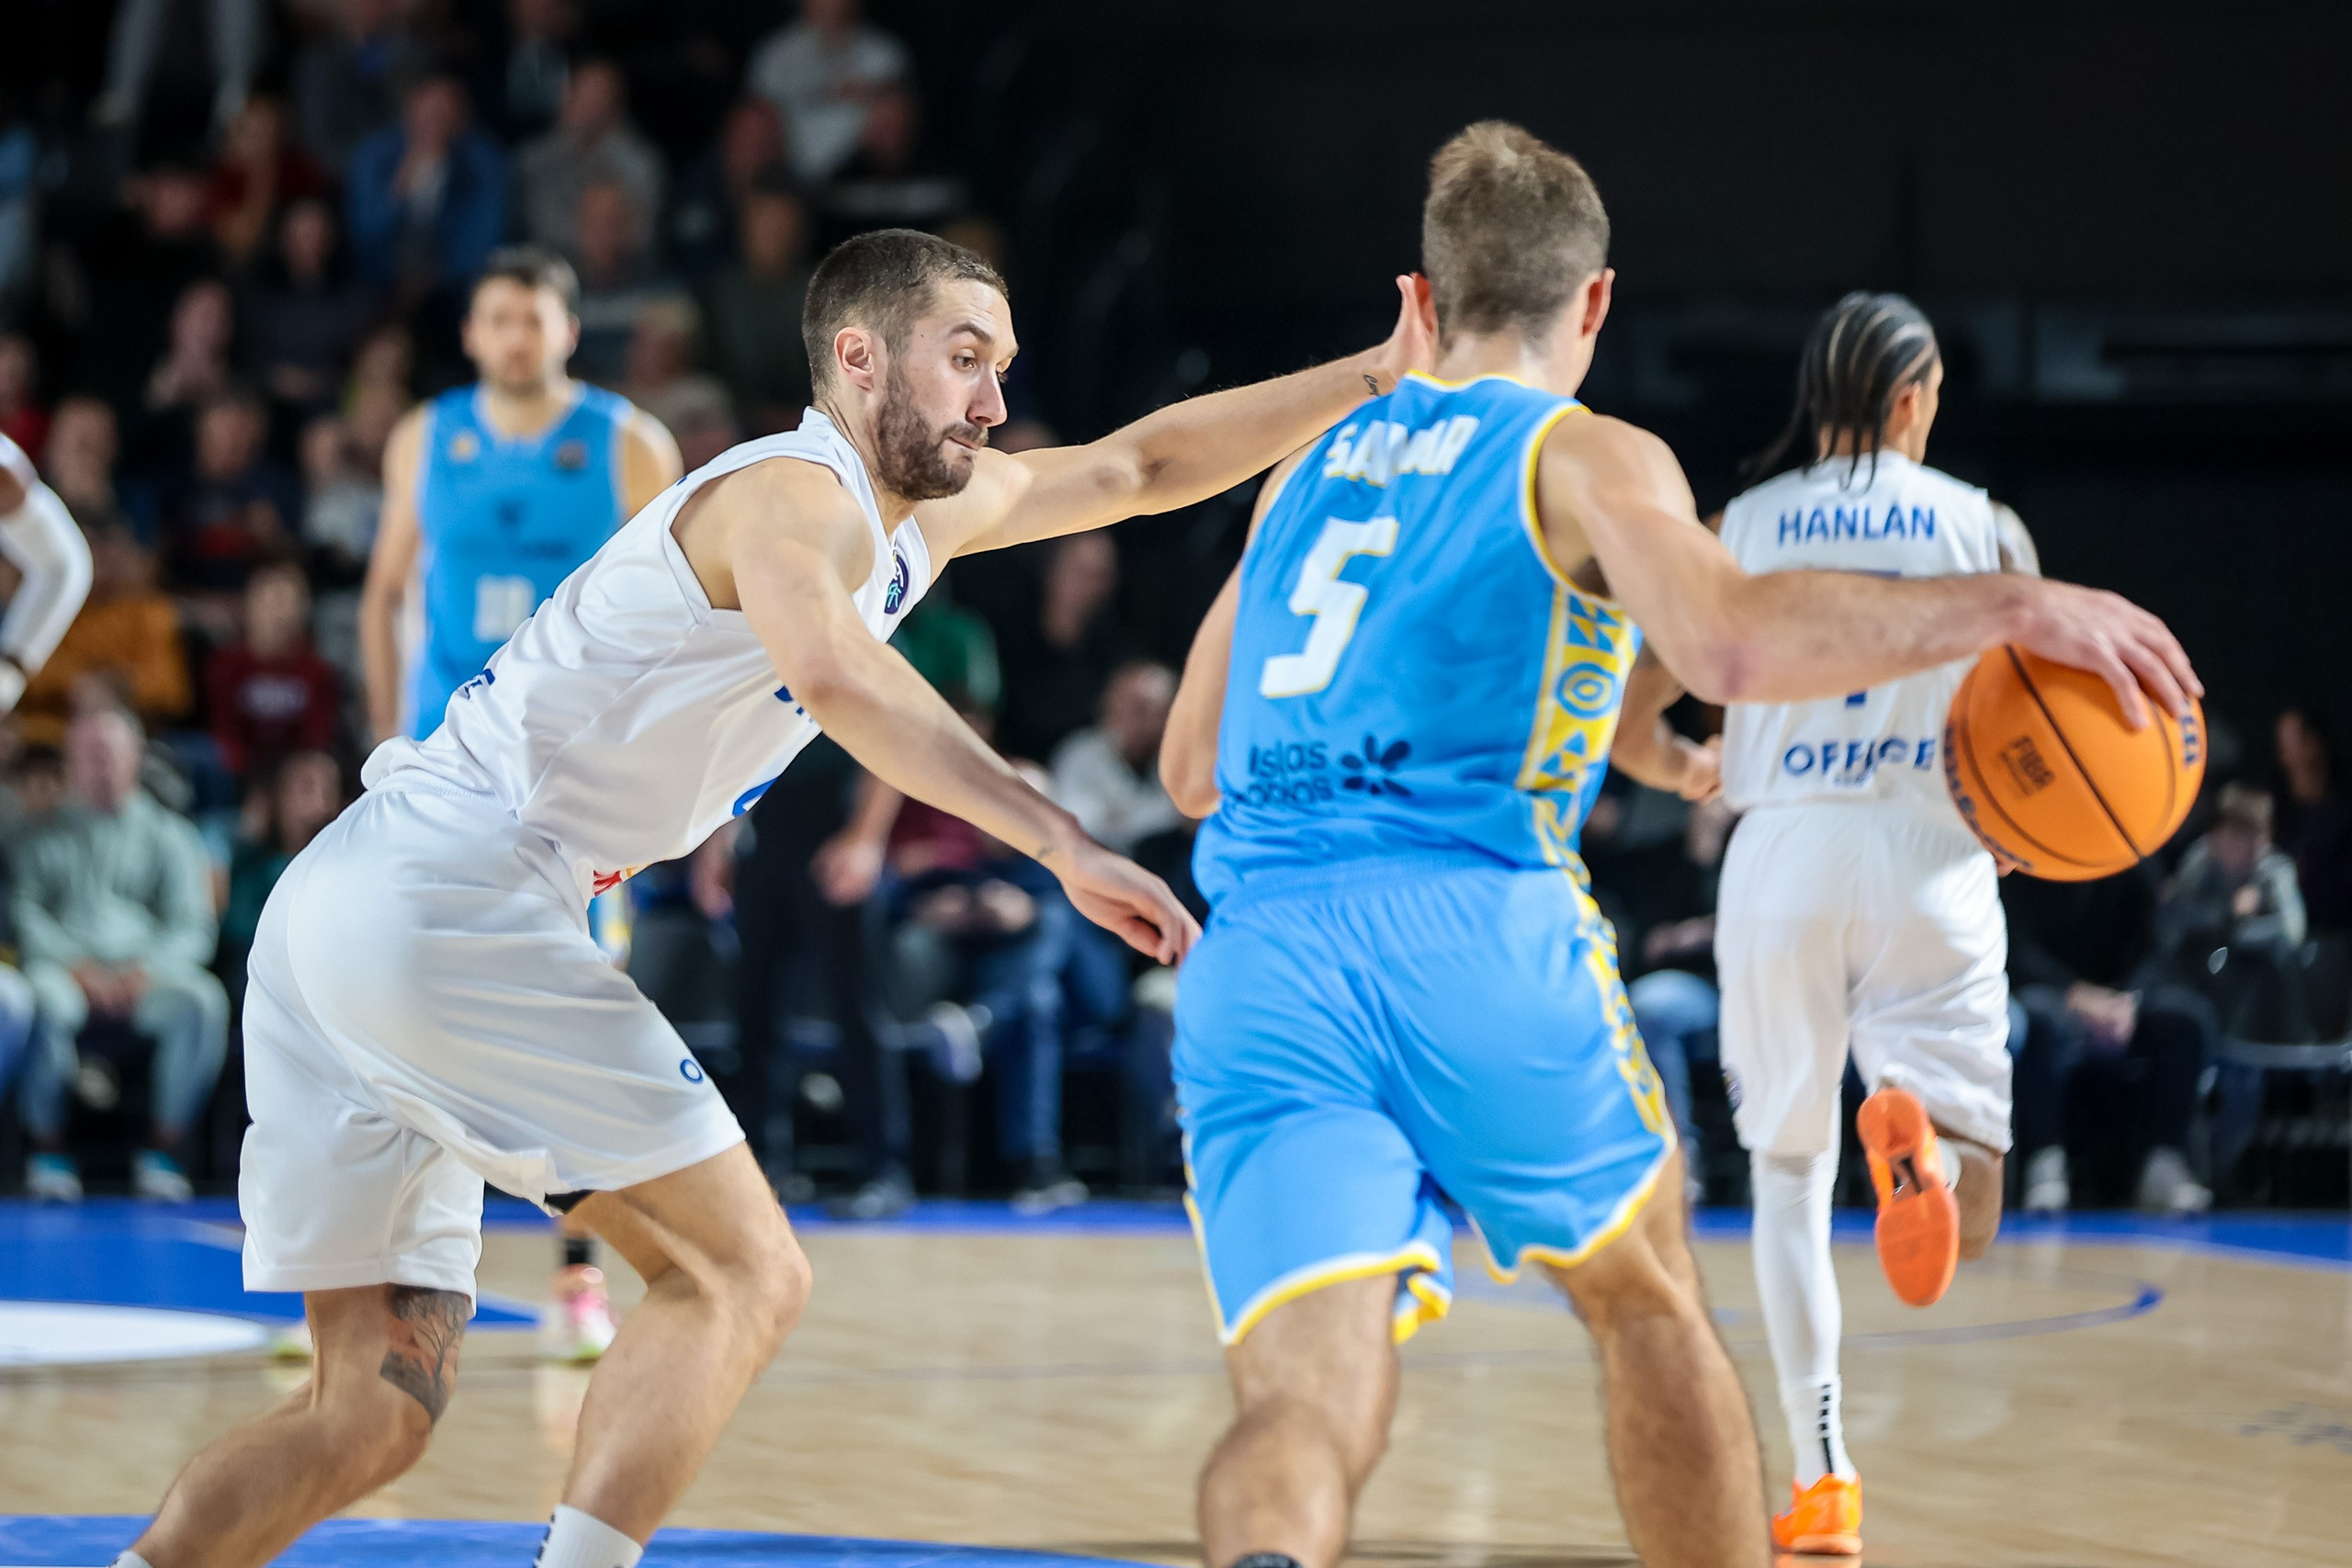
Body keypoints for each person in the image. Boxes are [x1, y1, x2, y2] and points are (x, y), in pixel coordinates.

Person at [110, 223, 1425, 1568]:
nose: (993, 400)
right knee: (740, 1272)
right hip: (451, 891)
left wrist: (1377, 377)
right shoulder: (789, 495)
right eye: (965, 359)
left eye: (1003, 366)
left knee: (368, 1416)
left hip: (353, 908)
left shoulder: (927, 514)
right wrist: (1060, 840)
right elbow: (842, 678)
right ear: (858, 357)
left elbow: (1140, 466)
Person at [1157, 122, 2195, 1568]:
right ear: (1593, 303)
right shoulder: (1583, 452)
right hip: (1474, 922)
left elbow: (1189, 764)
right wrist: (2008, 609)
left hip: (1261, 959)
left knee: (1301, 1401)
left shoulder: (1299, 475)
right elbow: (1722, 636)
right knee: (1646, 1302)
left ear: (1427, 294)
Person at [1700, 292, 2031, 1557]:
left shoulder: (1746, 521)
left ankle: (1825, 1474)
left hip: (1783, 842)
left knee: (1787, 1177)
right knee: (1983, 1196)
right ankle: (1929, 1165)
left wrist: (1681, 762)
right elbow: (2035, 704)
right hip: (1934, 853)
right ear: (1911, 399)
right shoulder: (1982, 524)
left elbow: (1652, 664)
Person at [357, 244, 680, 1361]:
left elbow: (682, 618)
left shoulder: (628, 444)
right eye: (496, 317)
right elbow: (387, 591)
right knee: (397, 1009)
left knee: (582, 1019)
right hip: (448, 771)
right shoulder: (422, 437)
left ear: (567, 330)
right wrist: (384, 733)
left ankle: (582, 1277)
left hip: (575, 780)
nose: (514, 336)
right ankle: (378, 1279)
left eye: (532, 318)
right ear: (472, 331)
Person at [16, 705, 226, 1203]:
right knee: (38, 1002)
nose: (99, 764)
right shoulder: (37, 833)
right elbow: (24, 913)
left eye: (109, 753)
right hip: (66, 975)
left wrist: (146, 970)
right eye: (87, 754)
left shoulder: (172, 835)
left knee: (203, 1001)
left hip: (146, 979)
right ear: (71, 762)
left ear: (134, 758)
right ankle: (48, 1151)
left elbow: (193, 927)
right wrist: (76, 967)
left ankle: (163, 1150)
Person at [207, 558, 341, 782]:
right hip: (236, 775)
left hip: (293, 779)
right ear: (249, 607)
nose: (279, 615)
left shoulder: (317, 671)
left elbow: (316, 740)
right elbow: (224, 734)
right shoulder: (225, 664)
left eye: (289, 604)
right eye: (272, 603)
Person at [1048, 660, 1184, 856]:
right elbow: (1086, 824)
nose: (1127, 716)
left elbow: (1186, 815)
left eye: (1143, 709)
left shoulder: (1178, 760)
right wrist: (1163, 817)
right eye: (1121, 703)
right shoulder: (1079, 752)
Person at [2274, 707, 2351, 936]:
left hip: (2334, 936)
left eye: (2289, 744)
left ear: (2313, 745)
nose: (2284, 756)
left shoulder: (2343, 814)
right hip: (2279, 938)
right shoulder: (2277, 810)